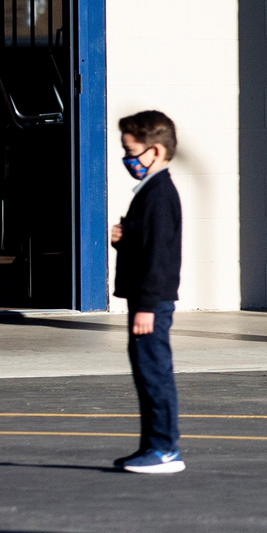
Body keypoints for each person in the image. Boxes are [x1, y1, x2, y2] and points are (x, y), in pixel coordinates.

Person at [110, 110, 186, 474]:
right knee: (147, 373)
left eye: (131, 151)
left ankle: (164, 449)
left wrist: (146, 307)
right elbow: (146, 247)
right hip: (148, 302)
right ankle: (153, 445)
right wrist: (123, 241)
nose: (127, 159)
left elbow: (158, 258)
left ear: (155, 151)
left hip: (151, 305)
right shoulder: (150, 193)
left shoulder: (158, 195)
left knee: (154, 373)